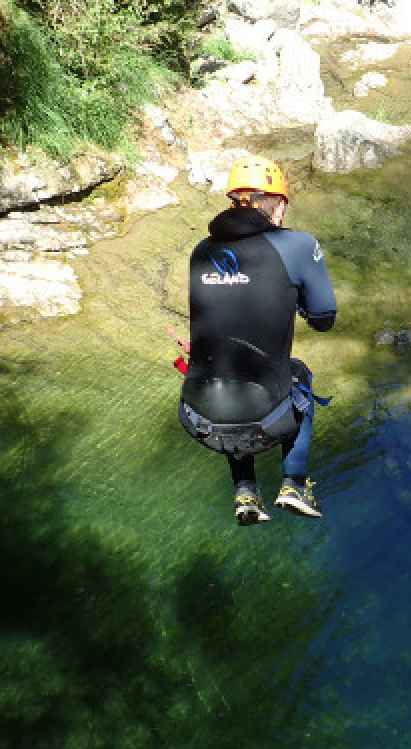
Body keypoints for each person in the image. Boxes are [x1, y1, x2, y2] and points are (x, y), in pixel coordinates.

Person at [177, 155, 337, 525]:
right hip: (266, 420)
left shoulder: (201, 251)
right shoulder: (297, 245)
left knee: (228, 366)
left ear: (235, 201)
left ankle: (246, 490)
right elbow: (324, 319)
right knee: (298, 373)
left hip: (196, 416)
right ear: (278, 204)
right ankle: (294, 483)